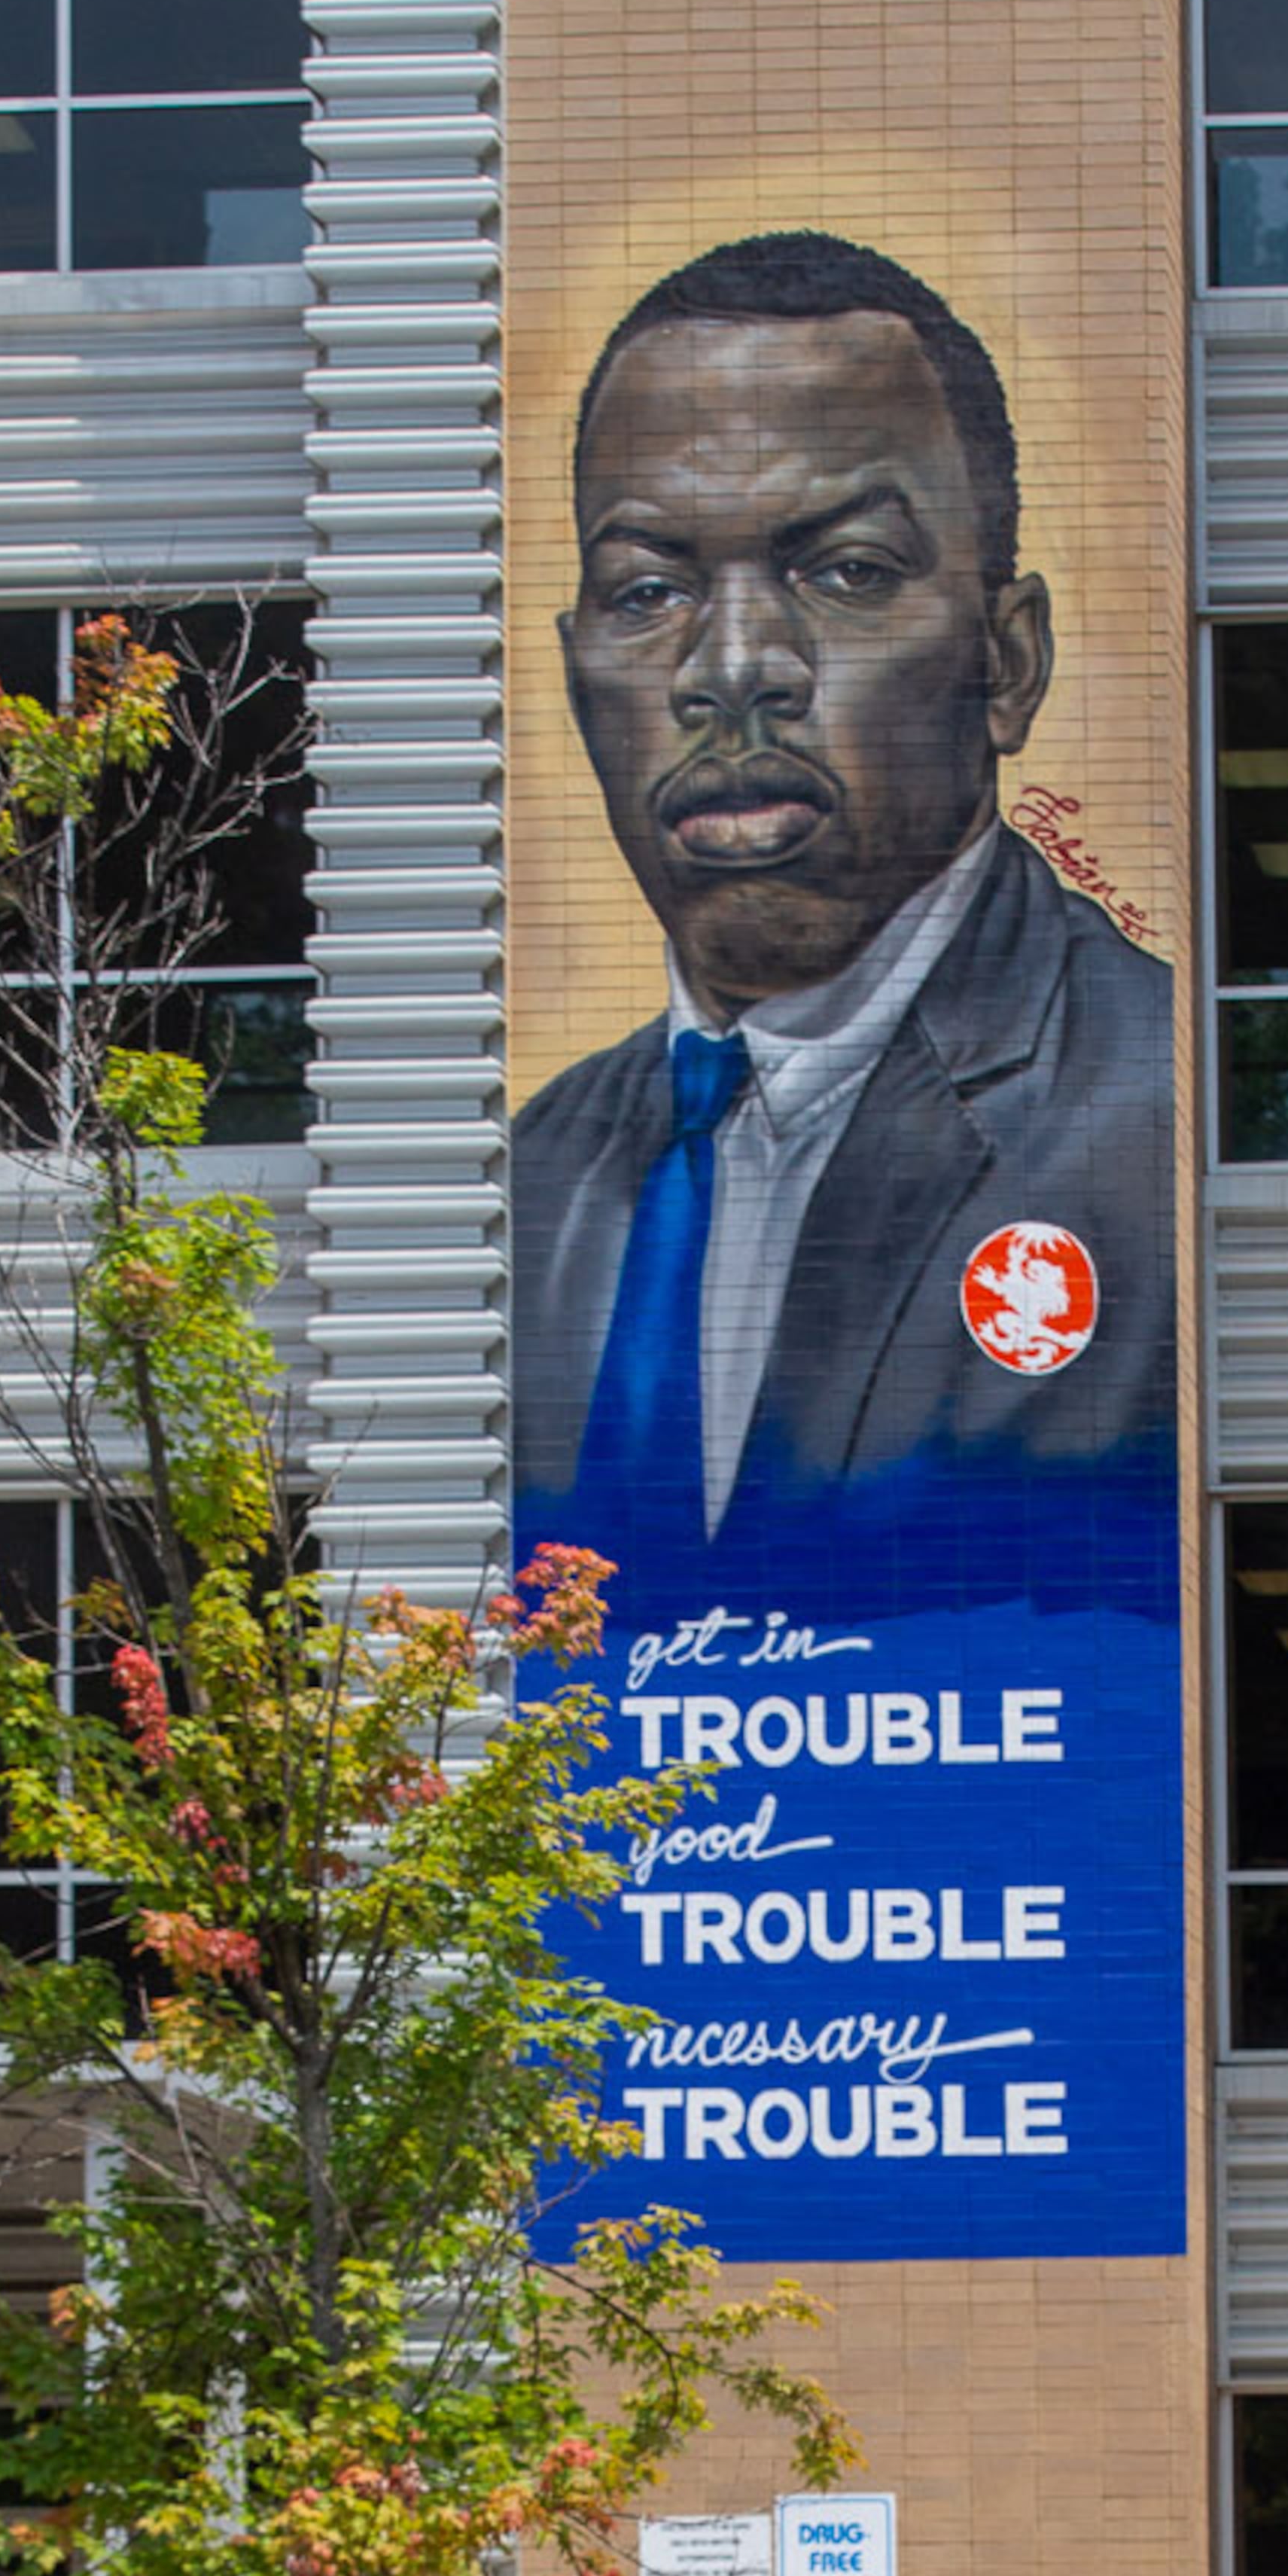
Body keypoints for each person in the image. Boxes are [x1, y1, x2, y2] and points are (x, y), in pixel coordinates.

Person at [512, 227, 1174, 1577]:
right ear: (575, 668)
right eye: (648, 590)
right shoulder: (532, 1180)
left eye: (848, 572)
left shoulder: (1164, 1118)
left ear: (1008, 661)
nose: (736, 667)